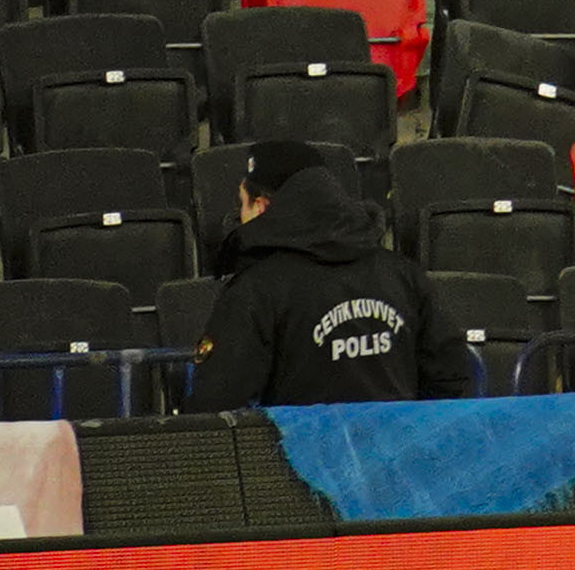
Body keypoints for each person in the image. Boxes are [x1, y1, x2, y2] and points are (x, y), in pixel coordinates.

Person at [187, 144, 466, 409]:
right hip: (396, 443)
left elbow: (217, 404)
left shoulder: (255, 290)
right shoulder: (403, 273)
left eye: (242, 204)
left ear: (261, 207)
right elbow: (453, 378)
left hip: (295, 445)